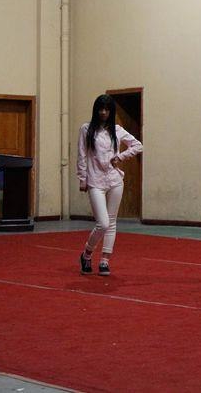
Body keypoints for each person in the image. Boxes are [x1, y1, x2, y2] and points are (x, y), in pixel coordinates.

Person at [77, 94, 142, 276]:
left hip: (115, 180)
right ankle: (87, 253)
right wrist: (82, 178)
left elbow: (138, 146)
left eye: (107, 109)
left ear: (111, 111)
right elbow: (82, 155)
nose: (103, 112)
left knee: (112, 222)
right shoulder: (86, 129)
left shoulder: (117, 130)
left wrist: (120, 157)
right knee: (103, 223)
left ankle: (105, 260)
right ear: (96, 110)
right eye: (101, 109)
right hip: (95, 181)